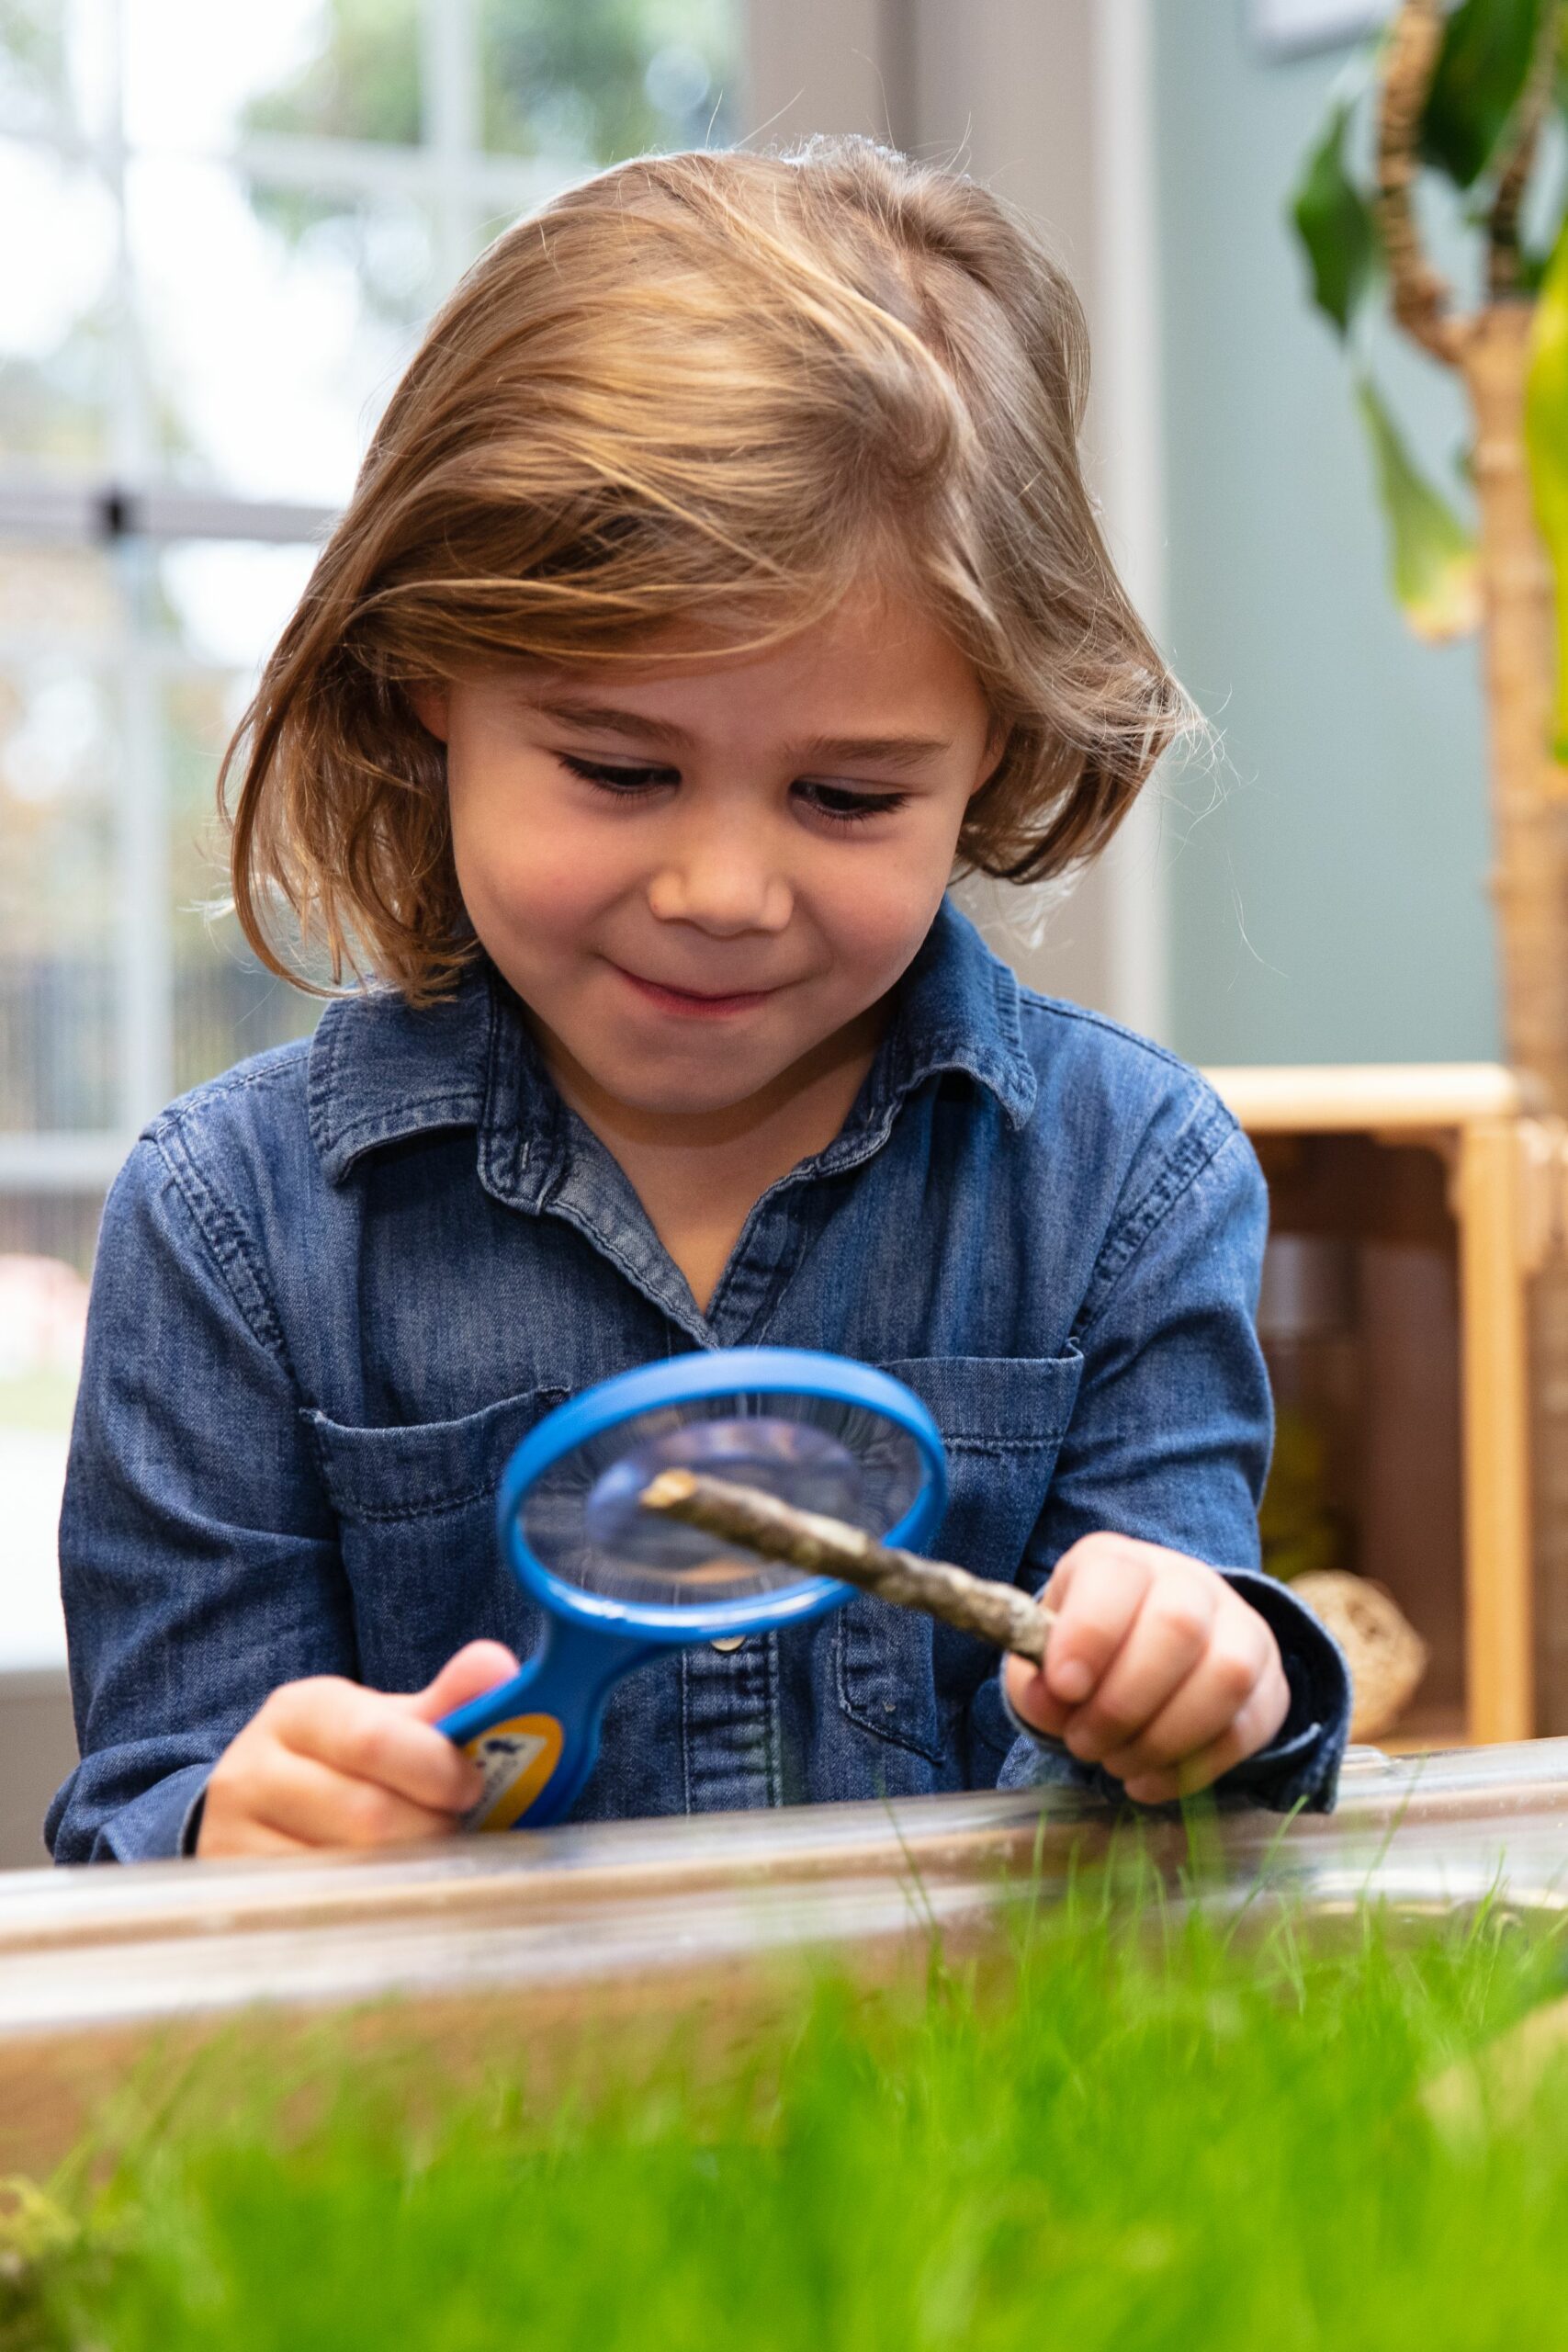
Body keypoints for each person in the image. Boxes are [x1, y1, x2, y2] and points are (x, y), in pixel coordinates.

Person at [48, 138, 1348, 1865]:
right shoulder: (233, 1233)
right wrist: (234, 1828)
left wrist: (1210, 1678)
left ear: (999, 753)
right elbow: (143, 1819)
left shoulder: (1134, 1183)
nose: (724, 893)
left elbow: (1195, 1811)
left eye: (849, 798)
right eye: (617, 766)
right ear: (429, 671)